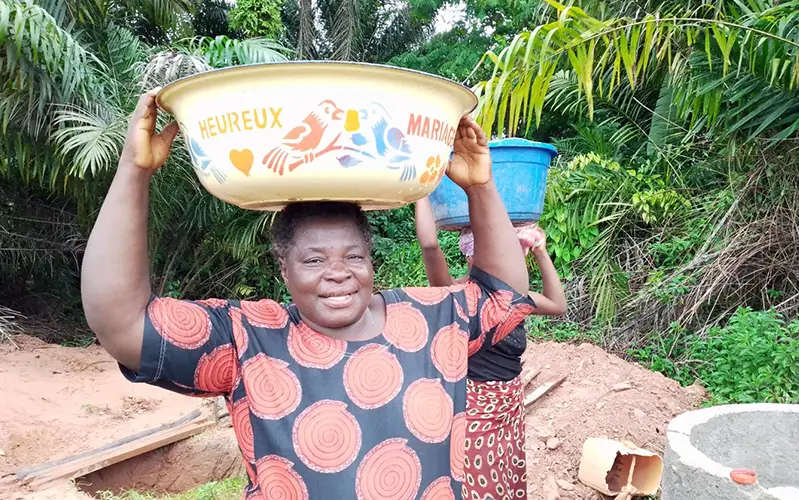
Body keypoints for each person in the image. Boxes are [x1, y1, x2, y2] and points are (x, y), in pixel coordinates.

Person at [81, 88, 539, 500]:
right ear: (284, 268)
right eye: (314, 260)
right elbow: (121, 324)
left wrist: (480, 187)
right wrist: (133, 171)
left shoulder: (434, 318)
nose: (338, 274)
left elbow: (506, 298)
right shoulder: (247, 338)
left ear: (371, 261)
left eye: (354, 257)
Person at [415, 198, 566, 500]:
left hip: (510, 407)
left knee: (506, 479)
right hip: (475, 414)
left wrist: (540, 251)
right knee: (479, 485)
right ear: (475, 257)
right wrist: (424, 190)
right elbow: (430, 246)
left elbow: (558, 305)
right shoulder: (454, 294)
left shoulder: (511, 298)